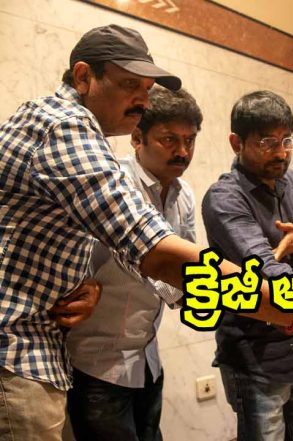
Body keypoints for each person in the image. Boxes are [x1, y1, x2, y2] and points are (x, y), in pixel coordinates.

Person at [0, 24, 293, 440]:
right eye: (129, 84)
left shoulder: (222, 188)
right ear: (83, 77)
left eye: (147, 88)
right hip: (23, 349)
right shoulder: (63, 126)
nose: (141, 99)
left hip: (78, 353)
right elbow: (165, 256)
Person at [202, 91, 293, 441]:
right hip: (256, 358)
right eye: (267, 143)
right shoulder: (224, 197)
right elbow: (266, 268)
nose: (280, 153)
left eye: (286, 141)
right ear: (237, 142)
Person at [65, 86, 202, 441]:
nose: (183, 151)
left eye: (190, 140)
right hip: (97, 362)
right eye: (169, 139)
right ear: (137, 137)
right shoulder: (115, 182)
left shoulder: (183, 194)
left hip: (146, 359)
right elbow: (145, 261)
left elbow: (184, 262)